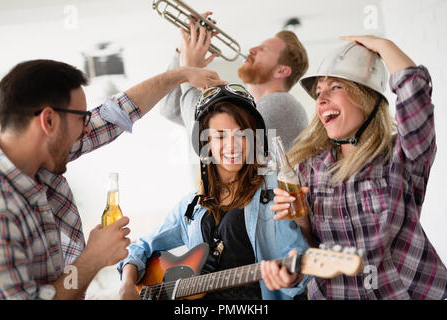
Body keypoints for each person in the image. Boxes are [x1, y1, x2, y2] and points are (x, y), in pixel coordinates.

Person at [0, 59, 224, 299]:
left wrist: (181, 74)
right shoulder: (2, 210)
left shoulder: (41, 156)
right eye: (81, 118)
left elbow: (113, 115)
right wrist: (93, 259)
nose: (87, 129)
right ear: (49, 121)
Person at [261, 36, 447, 300]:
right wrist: (300, 225)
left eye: (335, 87)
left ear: (366, 96)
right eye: (317, 93)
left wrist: (383, 46)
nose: (321, 99)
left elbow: (415, 95)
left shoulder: (402, 155)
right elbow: (313, 253)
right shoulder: (307, 169)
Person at [118, 84, 310, 300]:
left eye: (241, 134)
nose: (233, 145)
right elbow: (140, 248)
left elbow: (298, 260)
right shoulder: (191, 205)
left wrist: (292, 279)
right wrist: (126, 284)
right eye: (220, 136)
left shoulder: (275, 188)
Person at [159, 12, 309, 151]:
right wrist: (184, 48)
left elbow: (205, 136)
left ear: (282, 71)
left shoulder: (282, 104)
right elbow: (170, 109)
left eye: (263, 49)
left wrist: (188, 70)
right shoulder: (245, 105)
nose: (251, 49)